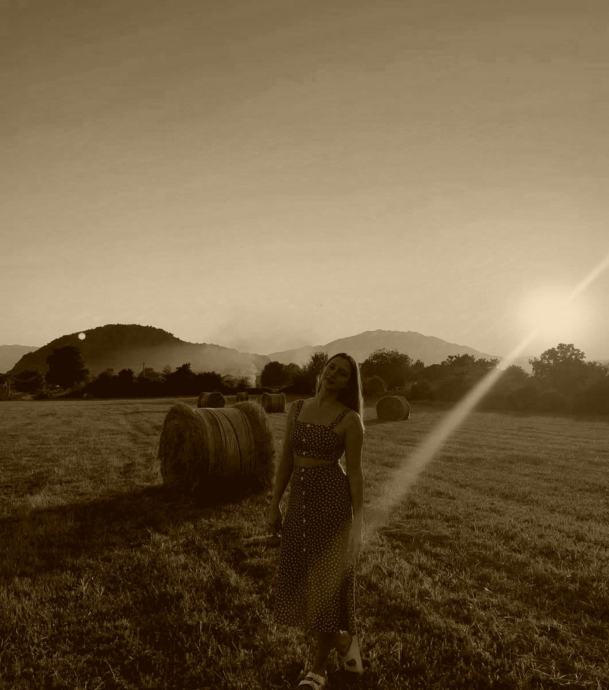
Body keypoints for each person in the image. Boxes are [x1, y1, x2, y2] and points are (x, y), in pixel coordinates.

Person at [267, 352, 365, 689]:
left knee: (326, 586)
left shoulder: (350, 420)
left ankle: (318, 669)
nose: (334, 374)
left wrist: (358, 522)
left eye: (343, 373)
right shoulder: (296, 409)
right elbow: (286, 461)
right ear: (322, 371)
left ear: (349, 383)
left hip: (332, 505)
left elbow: (355, 475)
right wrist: (274, 504)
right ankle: (342, 639)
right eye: (331, 367)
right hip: (299, 504)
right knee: (302, 582)